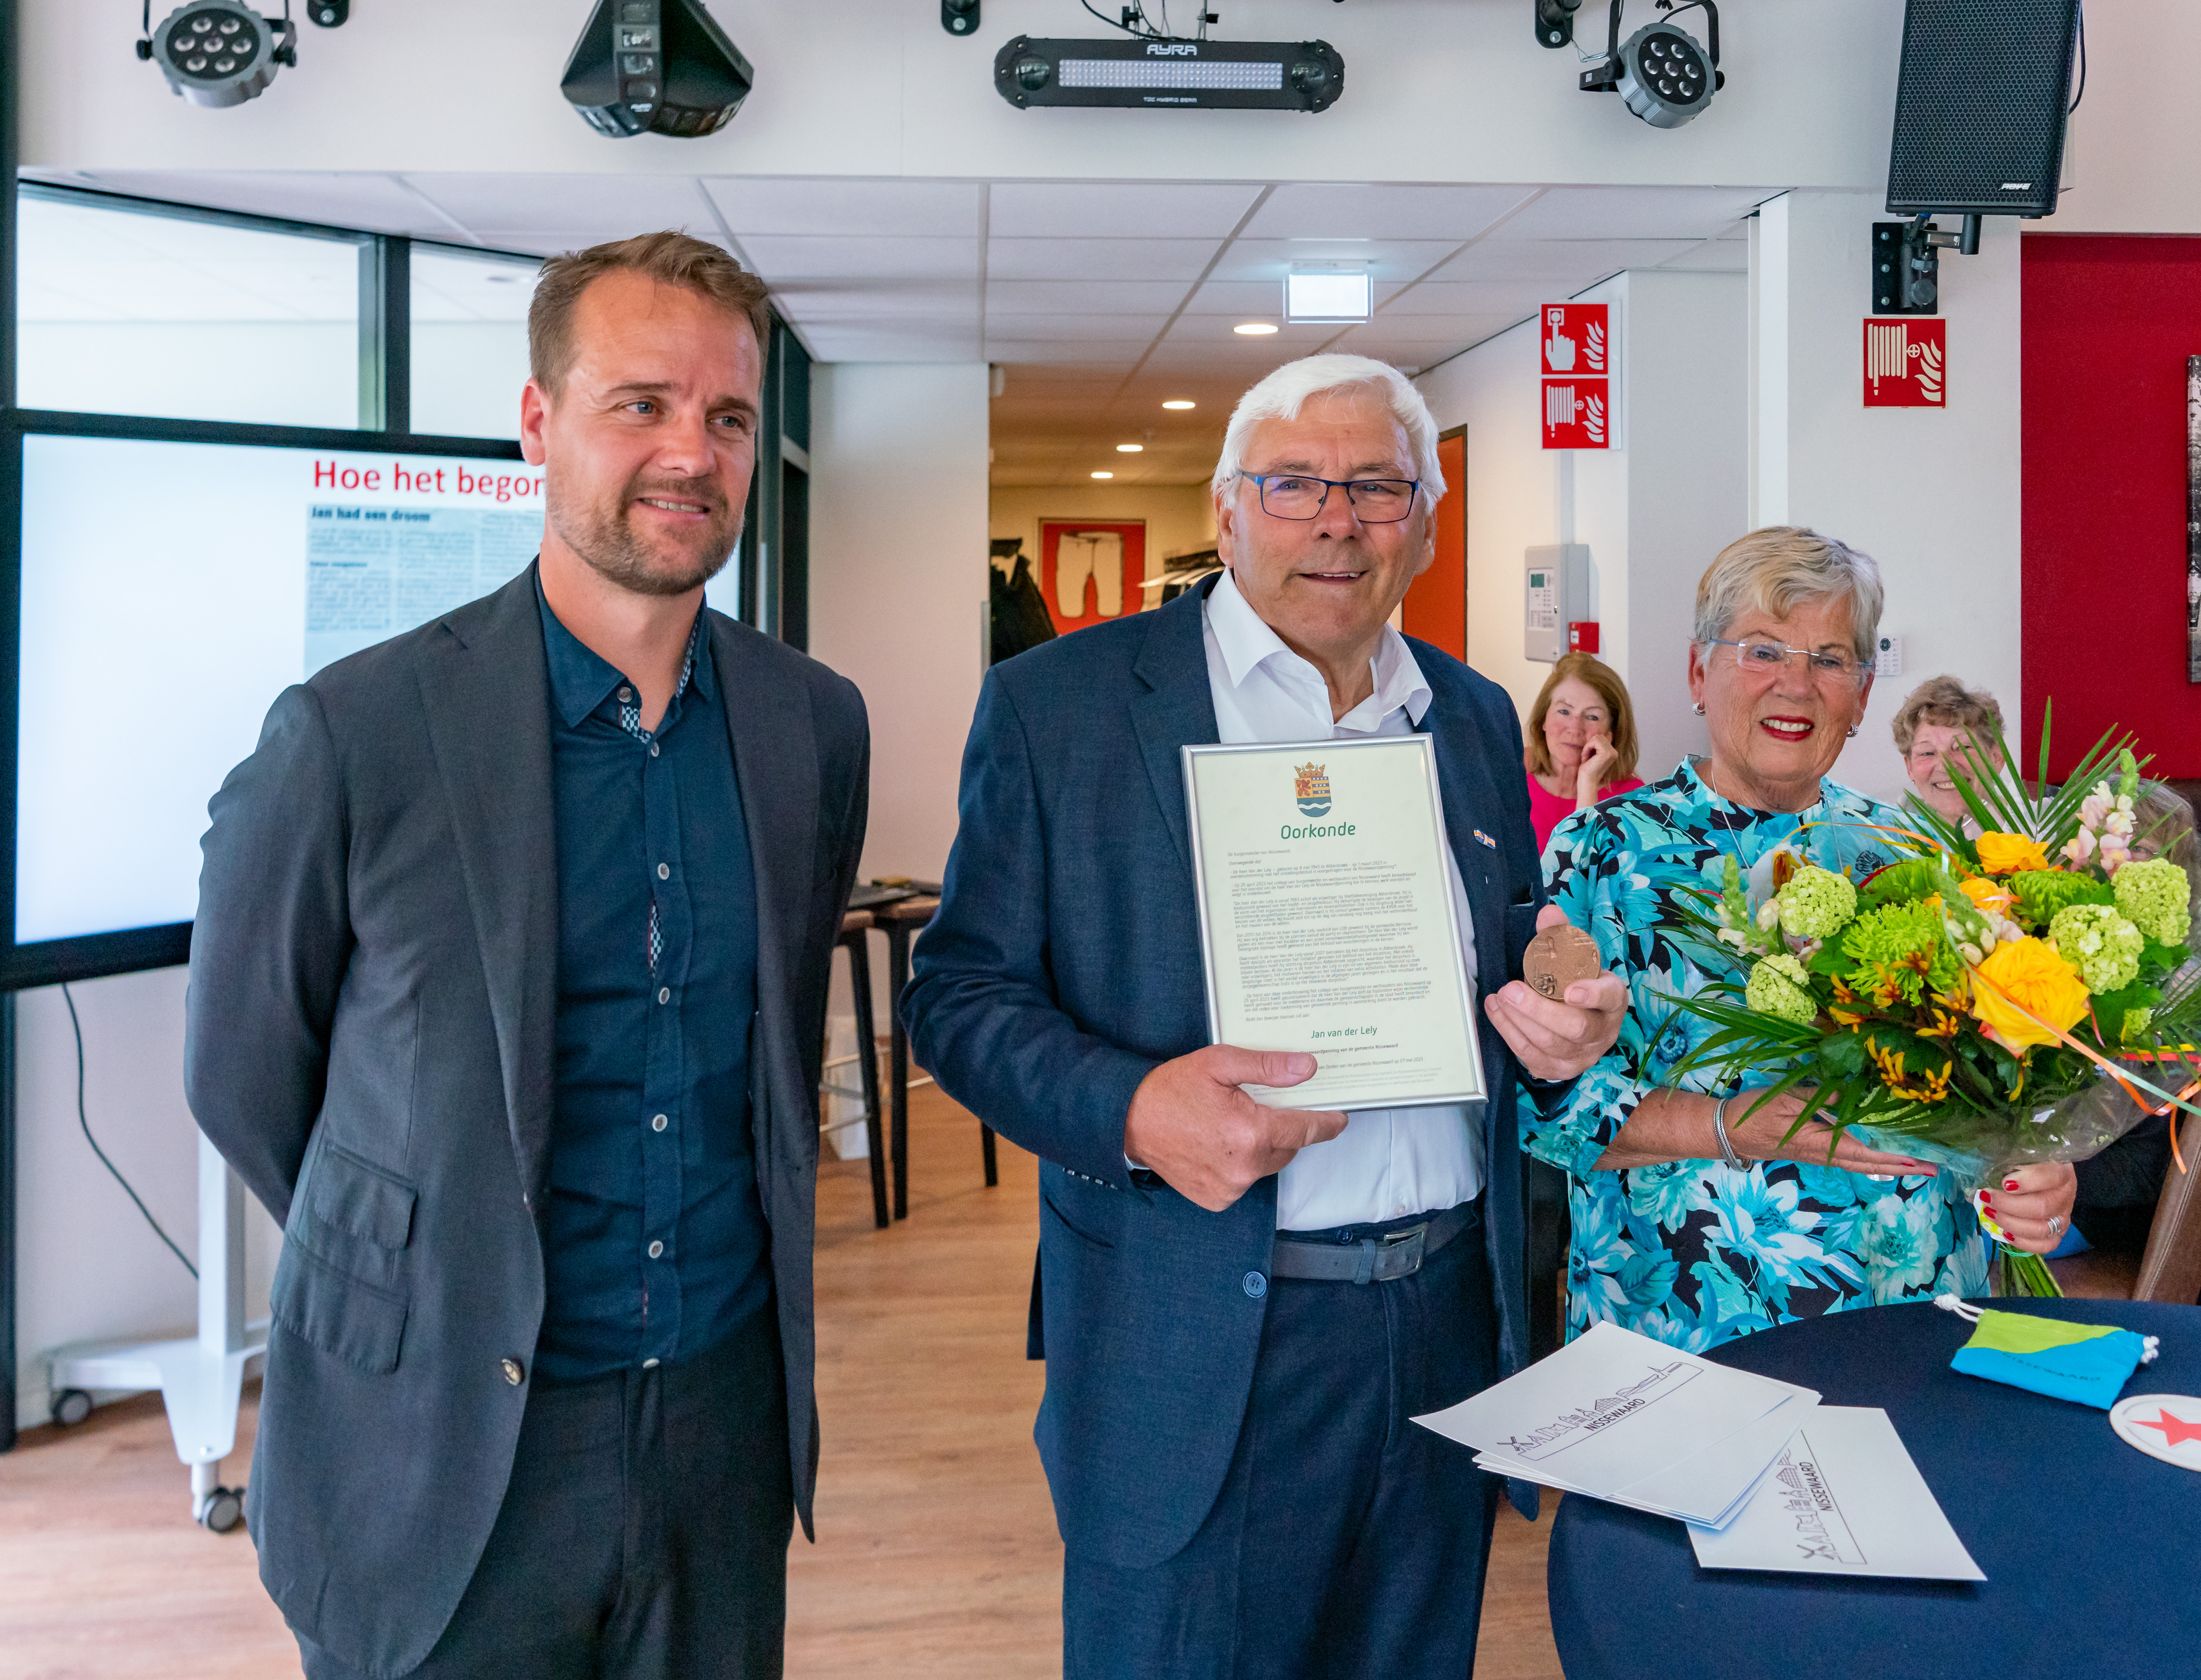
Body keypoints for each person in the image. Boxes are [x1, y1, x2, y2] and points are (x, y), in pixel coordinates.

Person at [185, 233, 870, 1680]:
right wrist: (430, 1247)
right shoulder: (354, 733)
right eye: (642, 404)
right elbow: (244, 1076)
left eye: (728, 416)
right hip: (439, 1437)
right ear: (540, 425)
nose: (691, 452)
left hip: (717, 1426)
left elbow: (772, 1040)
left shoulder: (812, 724)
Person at [903, 354, 1627, 1680]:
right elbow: (955, 998)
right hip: (1196, 1332)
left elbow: (1505, 978)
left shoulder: (1464, 718)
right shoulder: (1062, 709)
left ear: (1422, 515)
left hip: (1439, 1329)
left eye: (1373, 485)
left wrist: (1558, 1023)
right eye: (1292, 482)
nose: (1333, 518)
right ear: (1228, 510)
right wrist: (1129, 1107)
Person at [1527, 527, 2076, 1351]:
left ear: (1861, 696)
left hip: (1919, 1316)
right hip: (1685, 1333)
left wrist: (2033, 1173)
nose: (1798, 684)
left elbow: (1989, 1090)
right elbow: (1546, 1107)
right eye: (1762, 650)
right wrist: (1729, 1123)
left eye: (1831, 658)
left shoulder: (1923, 859)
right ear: (1696, 674)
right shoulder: (1597, 853)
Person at [1525, 651, 1645, 854]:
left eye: (1592, 717)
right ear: (1543, 719)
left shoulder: (1631, 799)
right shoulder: (1510, 768)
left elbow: (1584, 877)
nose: (1575, 728)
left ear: (1611, 733)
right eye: (1564, 712)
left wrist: (1588, 783)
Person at [1894, 673, 2007, 825]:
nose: (1945, 766)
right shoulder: (1889, 832)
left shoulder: (2035, 834)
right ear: (1909, 768)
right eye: (1927, 753)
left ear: (1996, 757)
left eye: (1962, 748)